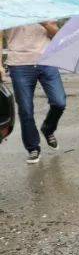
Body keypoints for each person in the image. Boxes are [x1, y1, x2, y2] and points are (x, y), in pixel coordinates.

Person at [1, 20, 66, 163]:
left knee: (59, 102)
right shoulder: (7, 9)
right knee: (25, 109)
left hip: (47, 61)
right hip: (19, 64)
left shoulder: (43, 6)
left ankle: (48, 129)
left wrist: (44, 22)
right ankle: (33, 148)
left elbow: (57, 34)